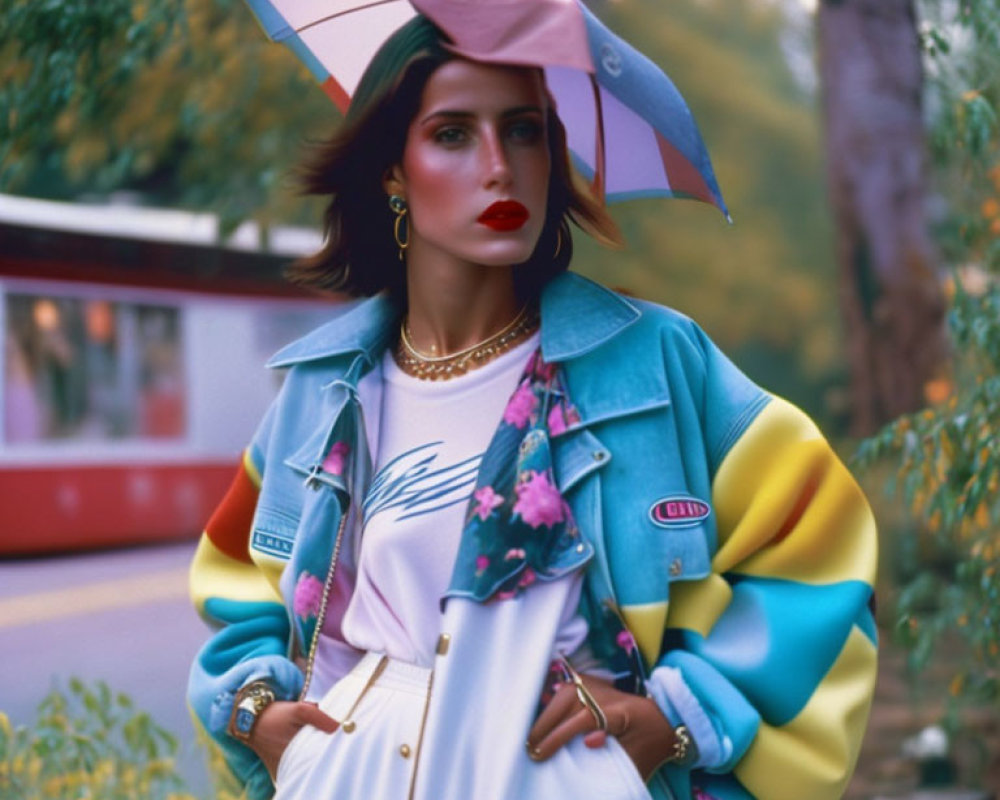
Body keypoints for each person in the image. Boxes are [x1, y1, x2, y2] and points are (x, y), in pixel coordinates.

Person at [188, 14, 877, 800]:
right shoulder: (324, 387)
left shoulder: (654, 362)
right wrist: (256, 711)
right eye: (452, 134)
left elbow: (815, 542)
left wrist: (678, 719)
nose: (499, 167)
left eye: (524, 132)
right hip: (352, 774)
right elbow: (238, 573)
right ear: (392, 169)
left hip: (564, 772)